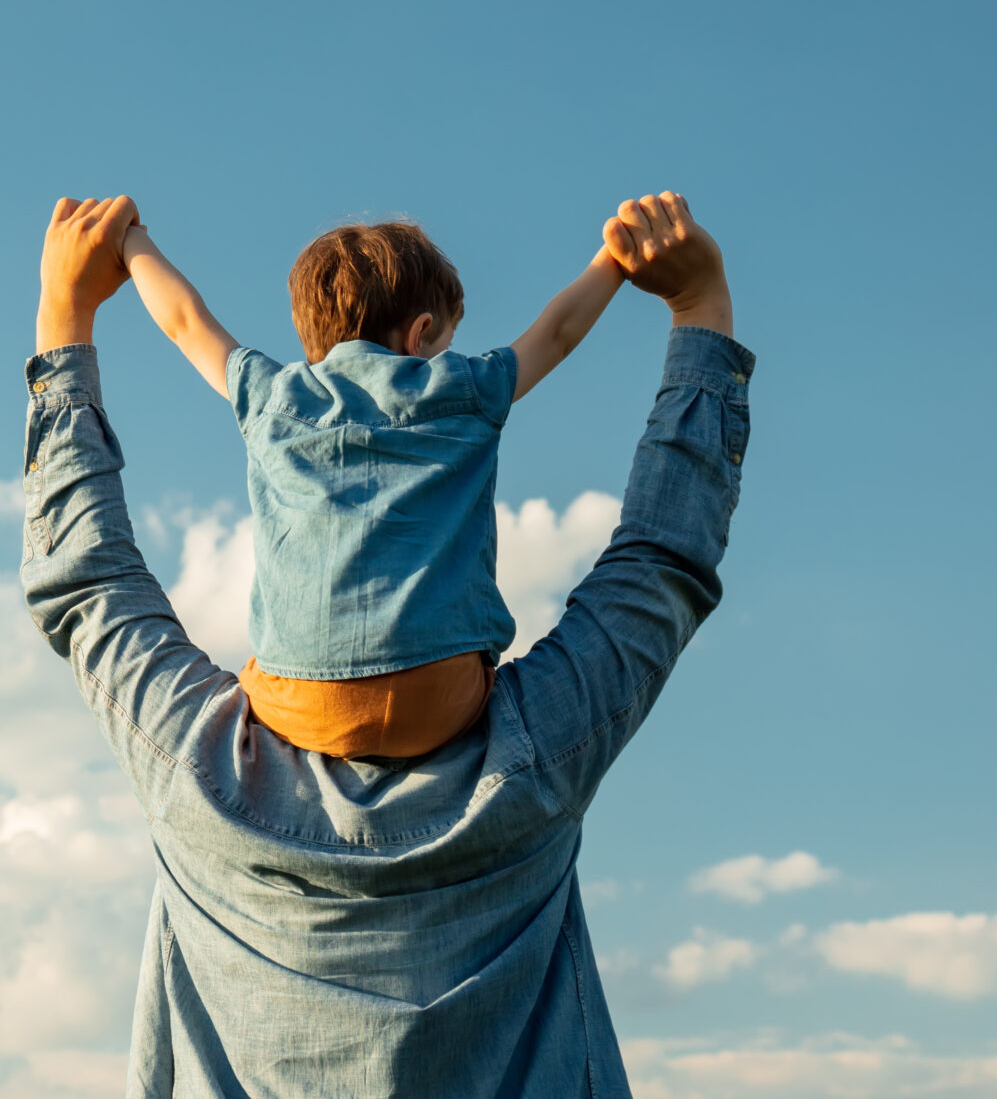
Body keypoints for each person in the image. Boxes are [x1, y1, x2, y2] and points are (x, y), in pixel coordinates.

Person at [19, 192, 751, 1099]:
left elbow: (85, 581)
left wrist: (67, 321)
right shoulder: (539, 753)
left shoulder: (199, 771)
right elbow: (662, 559)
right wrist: (697, 314)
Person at [119, 215, 626, 759]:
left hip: (303, 706)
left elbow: (184, 321)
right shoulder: (465, 388)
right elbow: (558, 332)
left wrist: (130, 241)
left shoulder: (271, 396)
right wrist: (614, 260)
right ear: (420, 332)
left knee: (246, 676)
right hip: (442, 701)